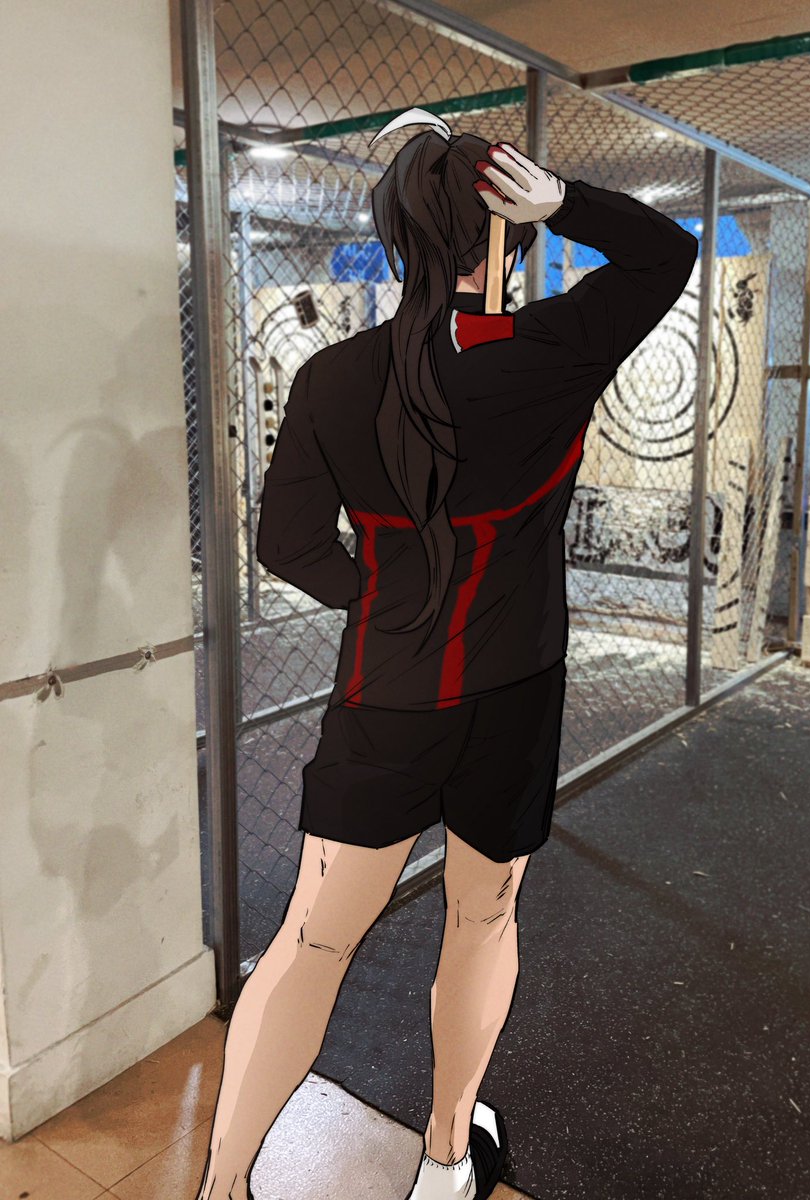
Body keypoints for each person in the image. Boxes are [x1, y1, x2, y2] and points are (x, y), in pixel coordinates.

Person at [194, 110, 698, 1200]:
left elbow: (288, 546)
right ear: (501, 234)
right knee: (482, 918)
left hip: (386, 693)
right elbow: (666, 252)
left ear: (396, 242)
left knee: (311, 944)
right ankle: (443, 1158)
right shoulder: (553, 350)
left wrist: (383, 599)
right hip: (514, 694)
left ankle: (223, 1185)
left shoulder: (333, 377)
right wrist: (563, 201)